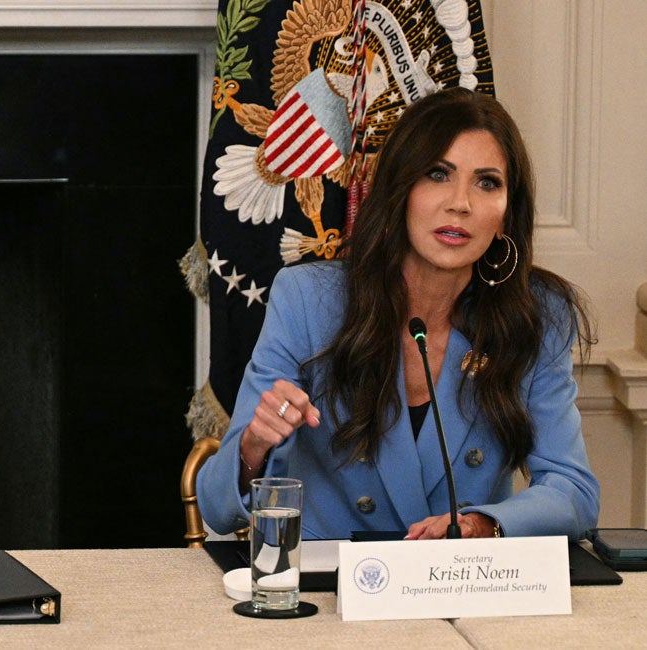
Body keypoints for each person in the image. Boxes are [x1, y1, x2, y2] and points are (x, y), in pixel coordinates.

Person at [197, 88, 599, 541]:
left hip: (459, 576)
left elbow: (574, 491)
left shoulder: (538, 313)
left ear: (507, 213)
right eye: (437, 174)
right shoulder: (308, 300)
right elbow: (217, 509)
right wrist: (254, 445)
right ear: (400, 189)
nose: (460, 203)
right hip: (331, 578)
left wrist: (483, 524)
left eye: (487, 182)